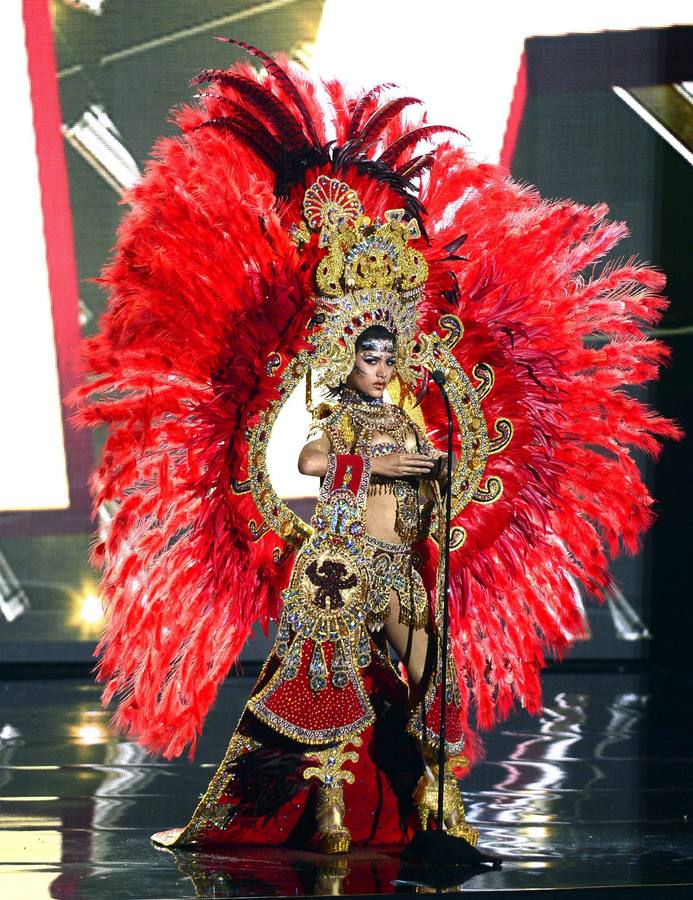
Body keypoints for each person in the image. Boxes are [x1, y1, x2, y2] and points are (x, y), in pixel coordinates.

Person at [71, 40, 679, 860]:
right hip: (339, 560)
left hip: (400, 561)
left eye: (391, 355)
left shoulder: (405, 414)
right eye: (371, 355)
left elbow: (441, 466)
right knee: (321, 690)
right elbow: (311, 465)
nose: (383, 365)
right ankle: (322, 810)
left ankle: (438, 805)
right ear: (348, 357)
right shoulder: (342, 416)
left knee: (430, 677)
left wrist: (433, 478)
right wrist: (380, 465)